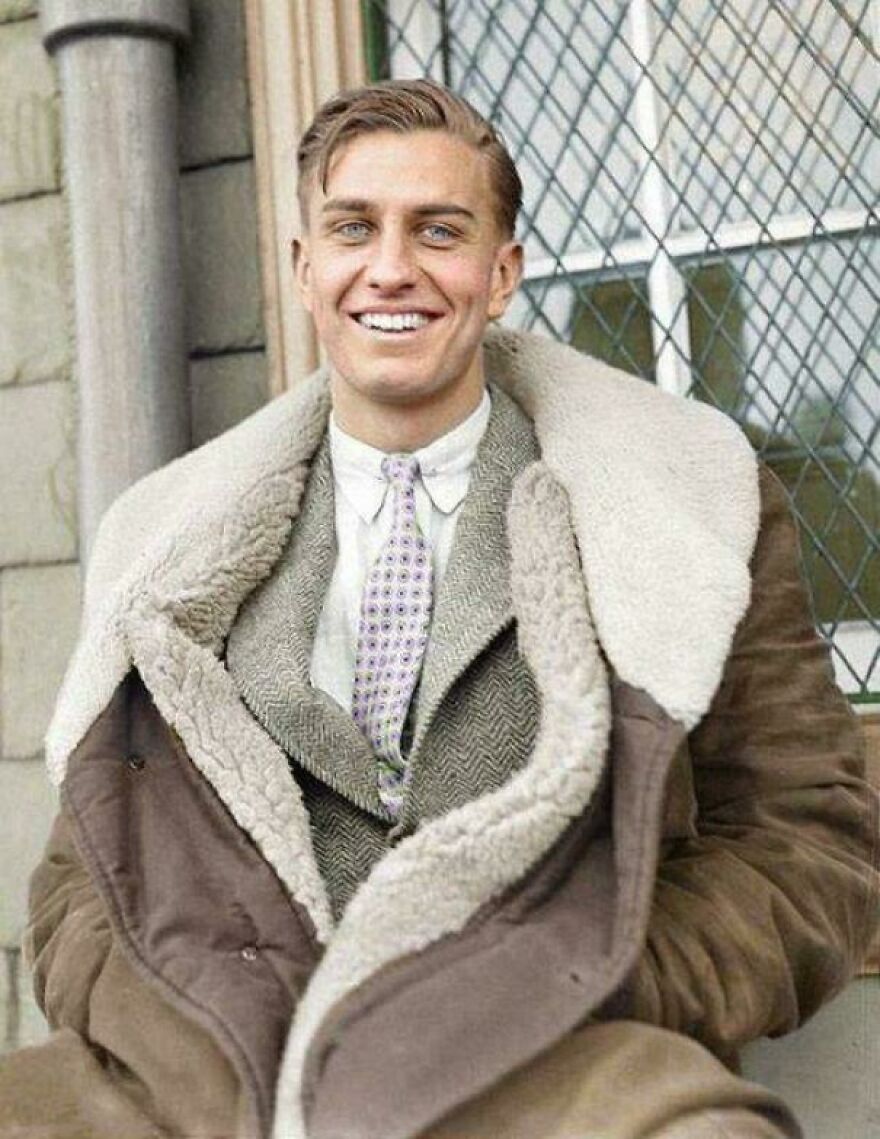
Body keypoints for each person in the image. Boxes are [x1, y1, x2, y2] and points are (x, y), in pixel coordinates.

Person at [0, 78, 876, 1139]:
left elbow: (807, 838)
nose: (392, 267)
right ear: (304, 269)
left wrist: (591, 980)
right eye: (353, 228)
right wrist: (189, 1012)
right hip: (218, 1081)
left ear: (499, 273)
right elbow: (80, 876)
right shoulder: (168, 548)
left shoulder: (688, 506)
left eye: (439, 230)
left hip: (554, 1066)